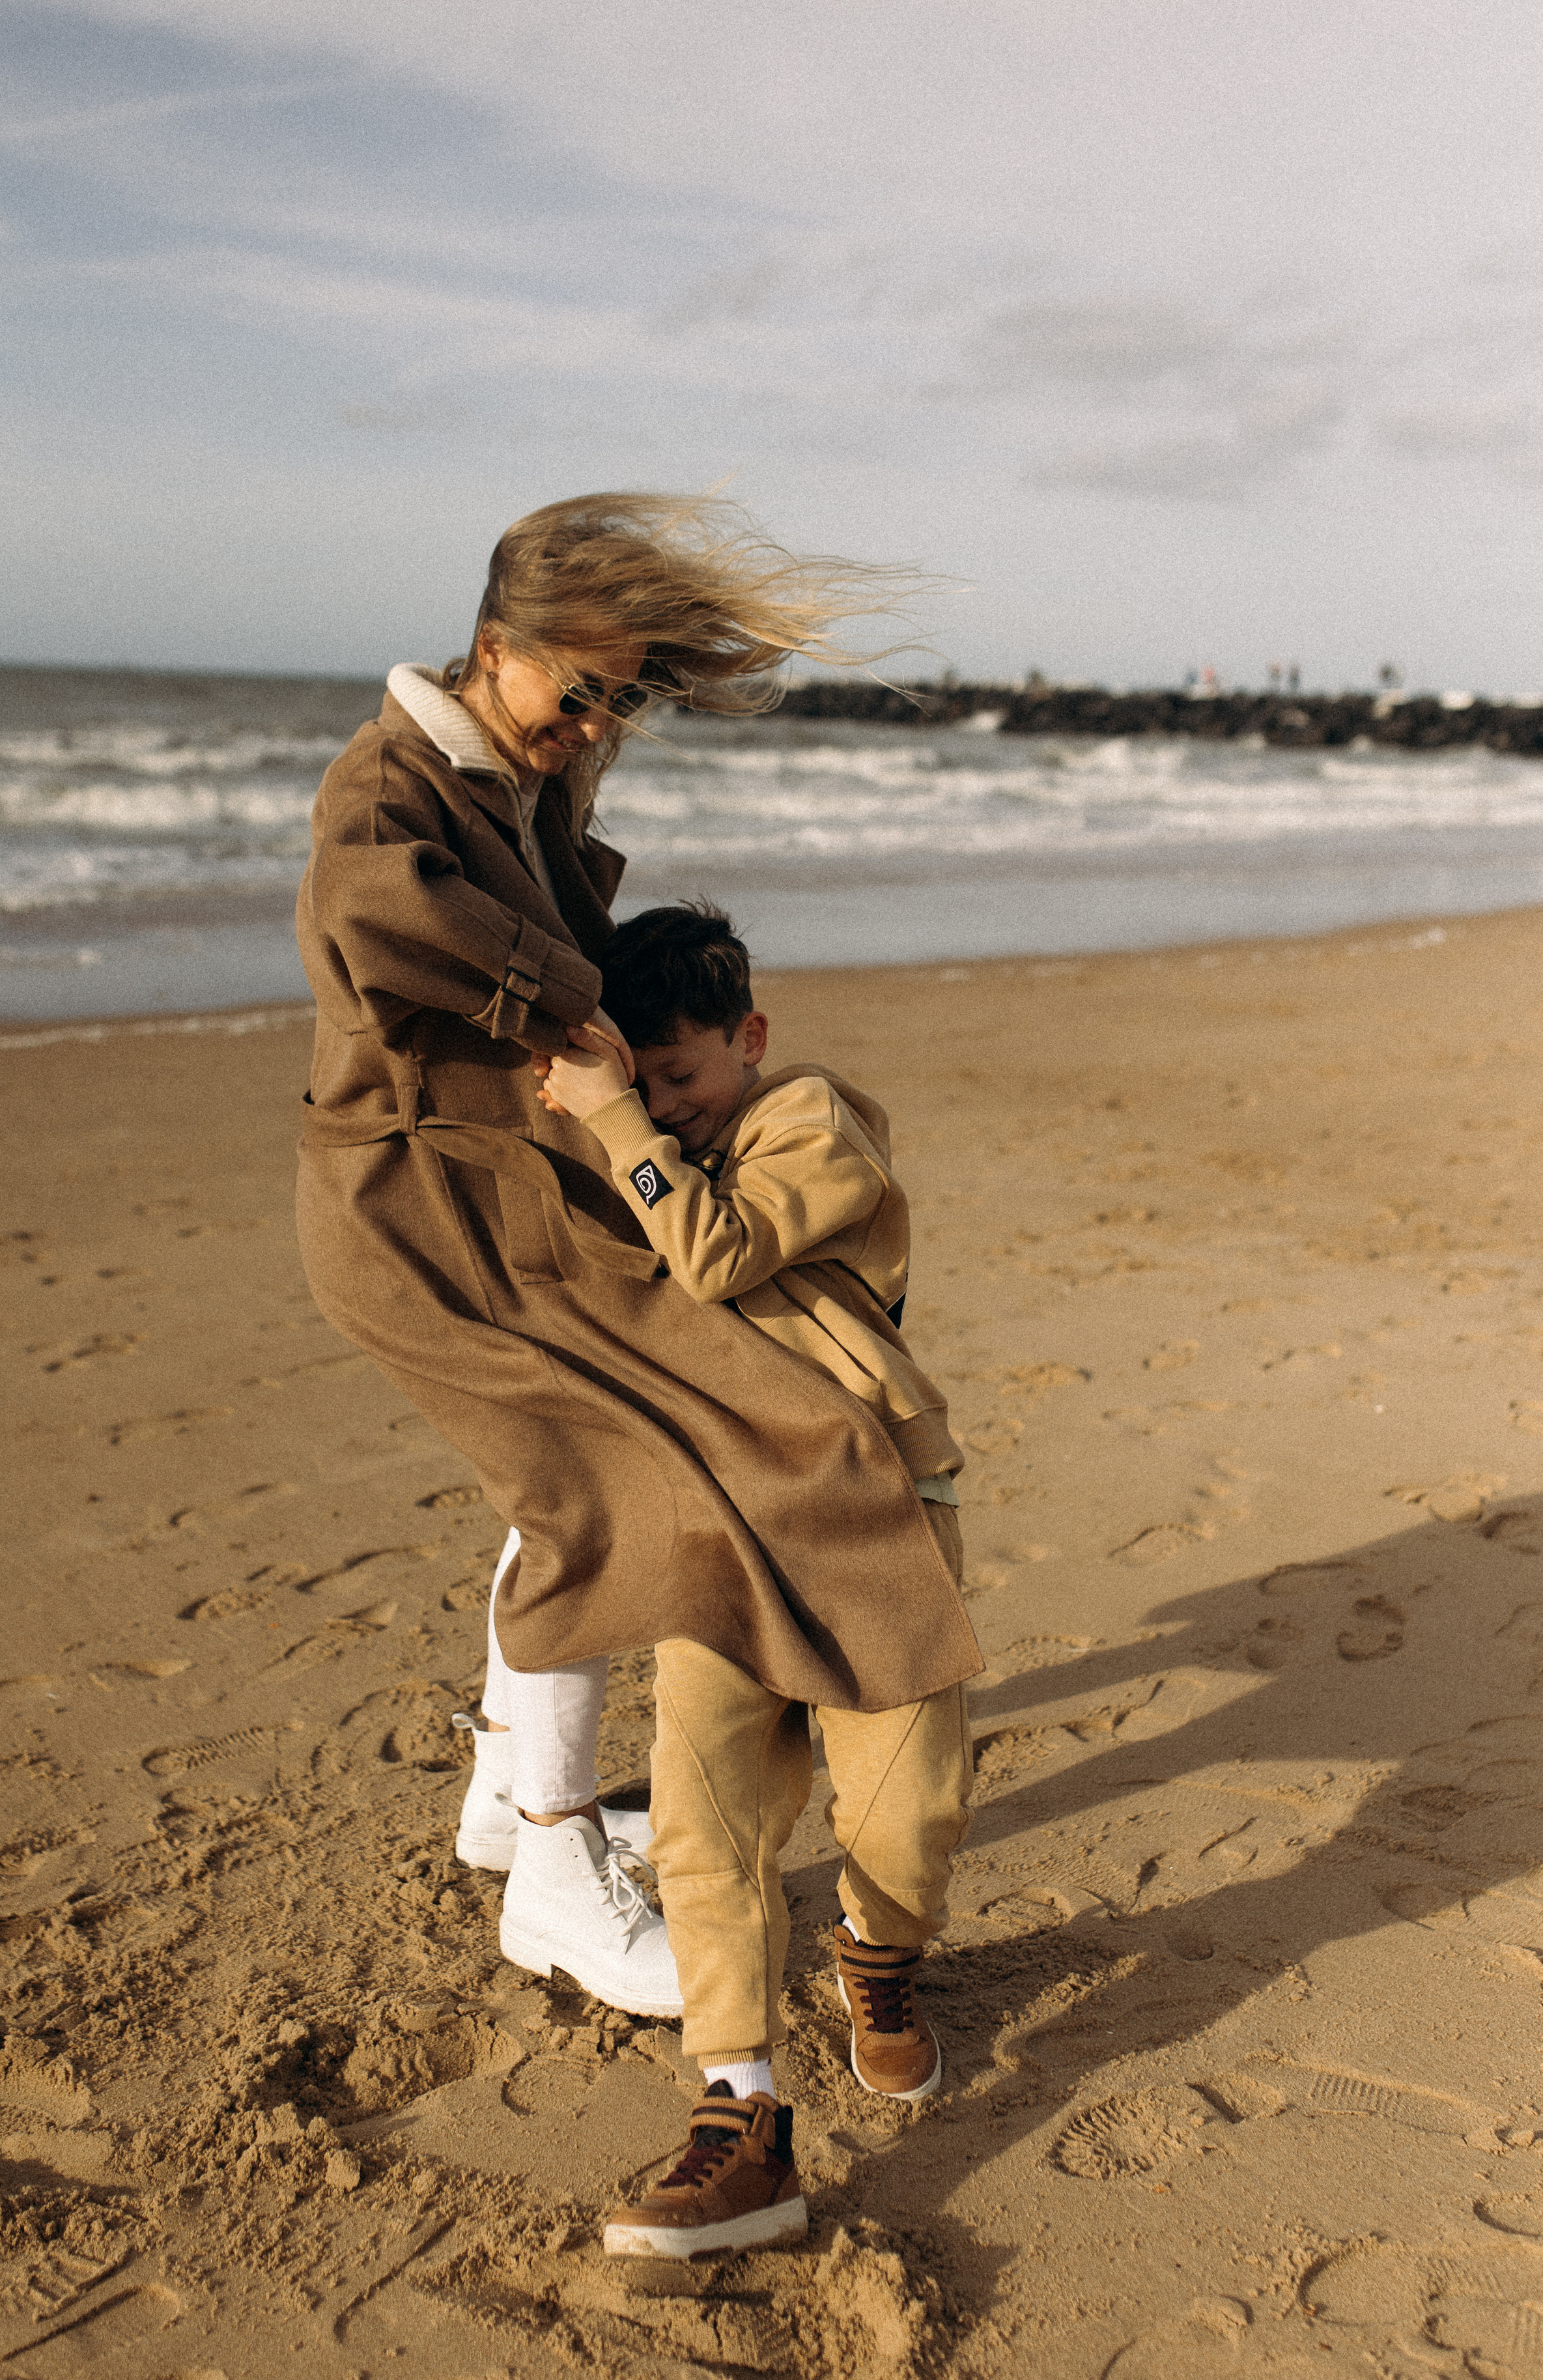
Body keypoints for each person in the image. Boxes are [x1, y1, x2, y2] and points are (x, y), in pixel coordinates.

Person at [294, 494, 980, 2024]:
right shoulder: (392, 781)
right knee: (606, 1489)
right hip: (418, 1218)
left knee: (586, 1478)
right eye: (573, 688)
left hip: (514, 1201)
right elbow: (363, 903)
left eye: (622, 697)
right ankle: (550, 1875)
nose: (592, 718)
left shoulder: (508, 773)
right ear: (492, 651)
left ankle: (500, 1798)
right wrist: (571, 1006)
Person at [535, 903, 977, 2260]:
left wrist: (621, 1124)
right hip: (718, 1519)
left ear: (750, 1041)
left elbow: (716, 1251)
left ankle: (876, 1952)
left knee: (906, 1810)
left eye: (683, 1077)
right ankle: (738, 2107)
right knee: (702, 1816)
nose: (666, 1105)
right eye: (643, 1079)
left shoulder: (808, 1123)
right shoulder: (635, 1147)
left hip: (870, 1509)